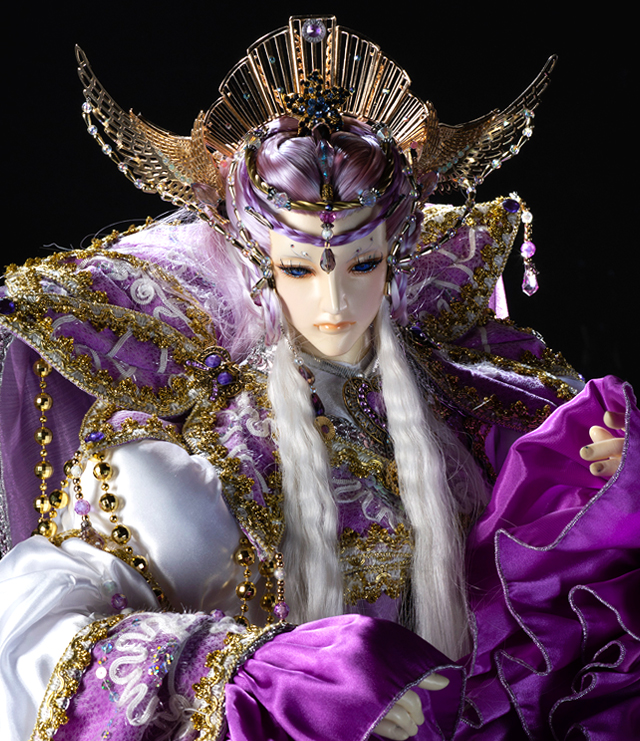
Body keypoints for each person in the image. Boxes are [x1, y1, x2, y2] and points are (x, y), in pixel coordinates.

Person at [0, 15, 636, 740]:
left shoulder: (473, 405)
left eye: (361, 263)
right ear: (259, 261)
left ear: (396, 253)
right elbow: (41, 633)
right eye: (300, 268)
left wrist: (611, 483)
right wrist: (255, 678)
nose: (334, 301)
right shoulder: (191, 457)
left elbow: (552, 594)